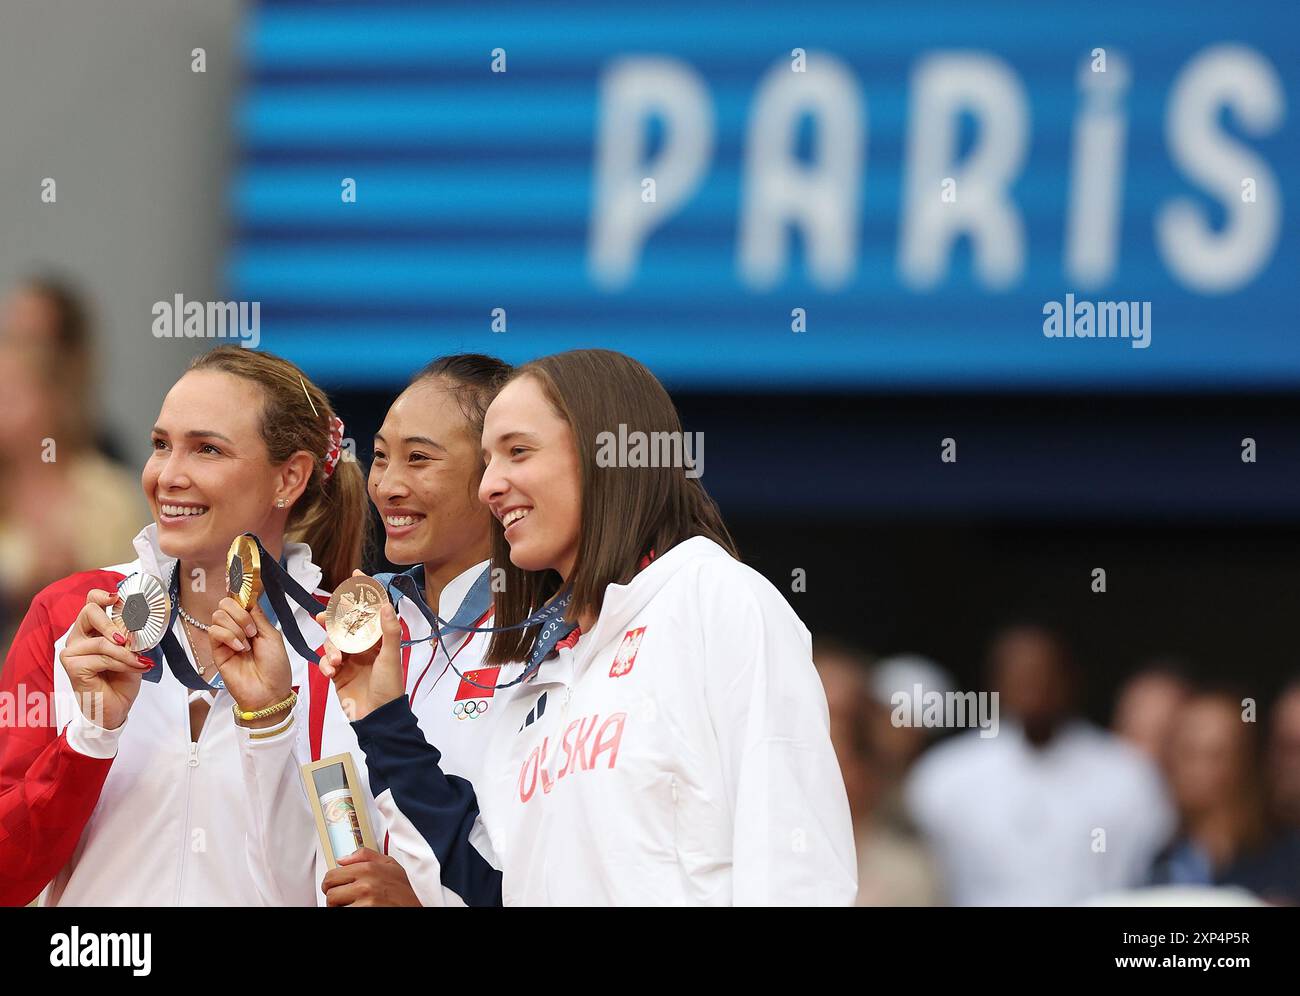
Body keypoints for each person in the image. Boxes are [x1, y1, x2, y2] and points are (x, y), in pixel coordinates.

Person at [309, 349, 857, 905]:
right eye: (488, 461)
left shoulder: (712, 597)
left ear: (606, 453)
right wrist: (383, 720)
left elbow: (796, 859)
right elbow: (491, 889)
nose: (489, 486)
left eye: (518, 452)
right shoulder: (537, 670)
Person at [0, 346, 367, 906]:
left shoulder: (344, 650)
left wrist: (268, 727)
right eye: (161, 445)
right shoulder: (73, 614)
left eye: (207, 450)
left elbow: (340, 886)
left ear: (287, 478)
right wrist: (91, 736)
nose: (168, 476)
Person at [215, 354, 514, 906]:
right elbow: (312, 860)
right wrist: (267, 719)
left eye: (419, 459)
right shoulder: (358, 625)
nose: (389, 485)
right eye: (380, 457)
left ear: (494, 474)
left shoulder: (542, 642)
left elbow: (542, 871)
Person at [905, 624, 1174, 905]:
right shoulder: (945, 774)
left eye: (1044, 675)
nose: (1033, 688)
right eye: (1020, 675)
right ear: (995, 681)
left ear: (1071, 678)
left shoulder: (1127, 773)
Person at [0, 276, 145, 644]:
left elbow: (137, 605)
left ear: (51, 398)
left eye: (13, 395)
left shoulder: (109, 492)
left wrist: (69, 591)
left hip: (83, 684)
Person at [1150, 688, 1300, 904]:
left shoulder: (1287, 861)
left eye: (1215, 755)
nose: (1198, 771)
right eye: (1187, 752)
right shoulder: (1161, 862)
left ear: (1244, 761)